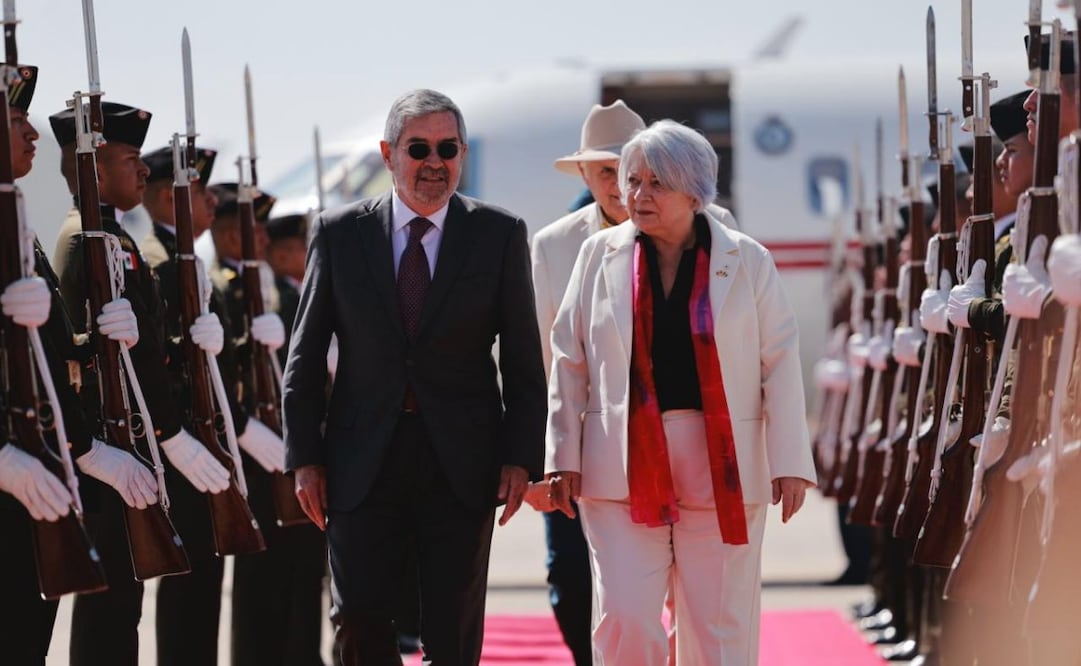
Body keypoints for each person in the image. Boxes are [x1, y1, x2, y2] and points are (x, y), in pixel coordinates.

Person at [282, 88, 547, 666]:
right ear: (388, 154)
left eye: (448, 149)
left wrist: (521, 458)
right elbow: (304, 357)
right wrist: (304, 459)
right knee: (358, 616)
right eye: (419, 148)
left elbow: (525, 359)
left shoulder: (499, 234)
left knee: (453, 628)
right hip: (360, 460)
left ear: (463, 154)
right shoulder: (339, 233)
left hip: (461, 462)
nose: (434, 162)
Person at [545, 120, 815, 665]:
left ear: (695, 192)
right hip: (620, 464)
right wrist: (561, 455)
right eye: (633, 181)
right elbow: (569, 360)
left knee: (717, 627)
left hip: (723, 465)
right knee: (625, 616)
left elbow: (780, 363)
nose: (638, 195)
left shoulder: (747, 259)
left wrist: (789, 463)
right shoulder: (598, 255)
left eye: (657, 183)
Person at [49, 101, 230, 666]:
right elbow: (72, 358)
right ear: (95, 168)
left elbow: (147, 347)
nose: (145, 169)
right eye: (132, 159)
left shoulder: (114, 238)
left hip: (133, 440)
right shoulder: (83, 239)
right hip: (108, 447)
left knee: (123, 607)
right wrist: (152, 437)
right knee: (108, 609)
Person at [0, 65, 161, 666]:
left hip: (43, 464)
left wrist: (95, 342)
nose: (31, 134)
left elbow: (52, 359)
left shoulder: (20, 228)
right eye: (16, 120)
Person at [526, 99, 646, 666]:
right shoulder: (553, 245)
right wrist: (543, 457)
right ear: (583, 175)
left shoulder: (703, 227)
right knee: (570, 575)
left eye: (627, 168)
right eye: (603, 170)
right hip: (581, 445)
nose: (618, 184)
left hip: (671, 439)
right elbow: (542, 358)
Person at [207, 186, 328, 666]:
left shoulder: (270, 288)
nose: (262, 238)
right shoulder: (222, 286)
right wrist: (248, 432)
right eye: (253, 229)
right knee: (262, 577)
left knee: (301, 569)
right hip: (250, 453)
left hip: (285, 441)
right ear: (226, 234)